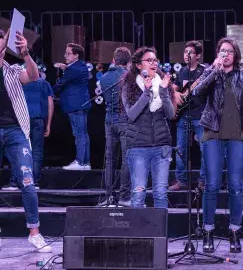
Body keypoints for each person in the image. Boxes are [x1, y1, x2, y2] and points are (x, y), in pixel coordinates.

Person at [193, 37, 243, 254]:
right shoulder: (209, 73)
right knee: (212, 184)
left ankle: (234, 231)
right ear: (217, 54)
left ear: (236, 55)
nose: (226, 54)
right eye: (222, 51)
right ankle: (208, 231)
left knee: (235, 185)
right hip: (213, 131)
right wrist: (215, 71)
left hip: (239, 133)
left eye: (230, 51)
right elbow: (197, 95)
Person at [0, 29, 51, 252]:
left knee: (28, 183)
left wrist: (25, 54)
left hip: (15, 131)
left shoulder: (13, 70)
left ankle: (34, 232)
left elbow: (33, 76)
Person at [121, 46, 175, 208]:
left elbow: (171, 114)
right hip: (138, 147)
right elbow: (131, 114)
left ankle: (160, 233)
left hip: (161, 146)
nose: (153, 63)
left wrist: (164, 92)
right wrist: (146, 92)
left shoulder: (162, 84)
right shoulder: (129, 86)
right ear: (138, 65)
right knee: (138, 194)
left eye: (155, 60)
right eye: (149, 60)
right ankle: (139, 233)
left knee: (160, 192)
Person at [3, 69, 54, 190]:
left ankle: (15, 183)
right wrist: (48, 124)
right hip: (37, 120)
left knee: (18, 151)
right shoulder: (44, 83)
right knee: (37, 151)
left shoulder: (19, 80)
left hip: (21, 120)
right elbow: (50, 104)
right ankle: (34, 182)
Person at [169, 41, 206, 192]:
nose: (187, 55)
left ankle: (204, 181)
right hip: (184, 115)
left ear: (198, 55)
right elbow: (173, 90)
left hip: (201, 115)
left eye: (190, 53)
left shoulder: (204, 72)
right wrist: (175, 93)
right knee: (180, 149)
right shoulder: (182, 72)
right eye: (185, 53)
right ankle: (181, 180)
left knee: (205, 149)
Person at [99, 47, 132, 207]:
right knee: (126, 158)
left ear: (114, 59)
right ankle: (125, 197)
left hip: (109, 120)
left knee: (110, 159)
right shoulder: (128, 77)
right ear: (128, 61)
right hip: (124, 120)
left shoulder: (104, 78)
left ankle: (109, 197)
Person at [53, 43, 91, 170]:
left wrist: (48, 92)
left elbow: (61, 84)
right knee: (83, 134)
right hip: (82, 104)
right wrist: (66, 68)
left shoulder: (73, 69)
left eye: (68, 54)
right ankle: (85, 163)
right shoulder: (81, 66)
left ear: (76, 55)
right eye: (65, 53)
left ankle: (80, 162)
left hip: (75, 105)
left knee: (79, 134)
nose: (66, 56)